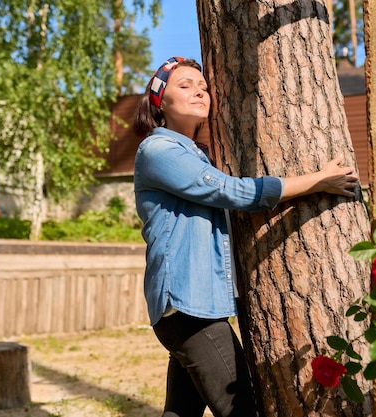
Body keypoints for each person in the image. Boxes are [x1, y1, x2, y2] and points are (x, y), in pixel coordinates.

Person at [133, 56, 359, 417]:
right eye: (185, 85)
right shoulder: (159, 150)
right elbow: (232, 192)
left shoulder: (198, 155)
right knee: (241, 409)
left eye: (203, 86)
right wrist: (317, 180)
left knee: (181, 412)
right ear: (160, 101)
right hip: (188, 306)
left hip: (190, 307)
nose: (199, 91)